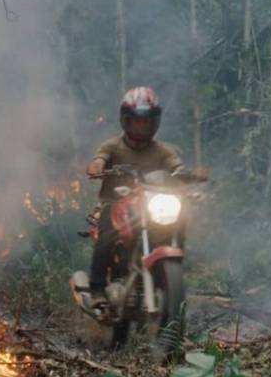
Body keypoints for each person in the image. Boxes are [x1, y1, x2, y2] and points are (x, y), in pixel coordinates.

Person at [85, 86, 206, 305]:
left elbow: (176, 166)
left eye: (146, 121)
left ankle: (167, 275)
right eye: (136, 121)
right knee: (106, 234)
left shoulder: (163, 150)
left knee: (179, 218)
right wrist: (97, 165)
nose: (141, 126)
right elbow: (100, 158)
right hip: (116, 203)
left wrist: (190, 174)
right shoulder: (113, 146)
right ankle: (97, 289)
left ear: (155, 122)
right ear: (125, 120)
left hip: (149, 203)